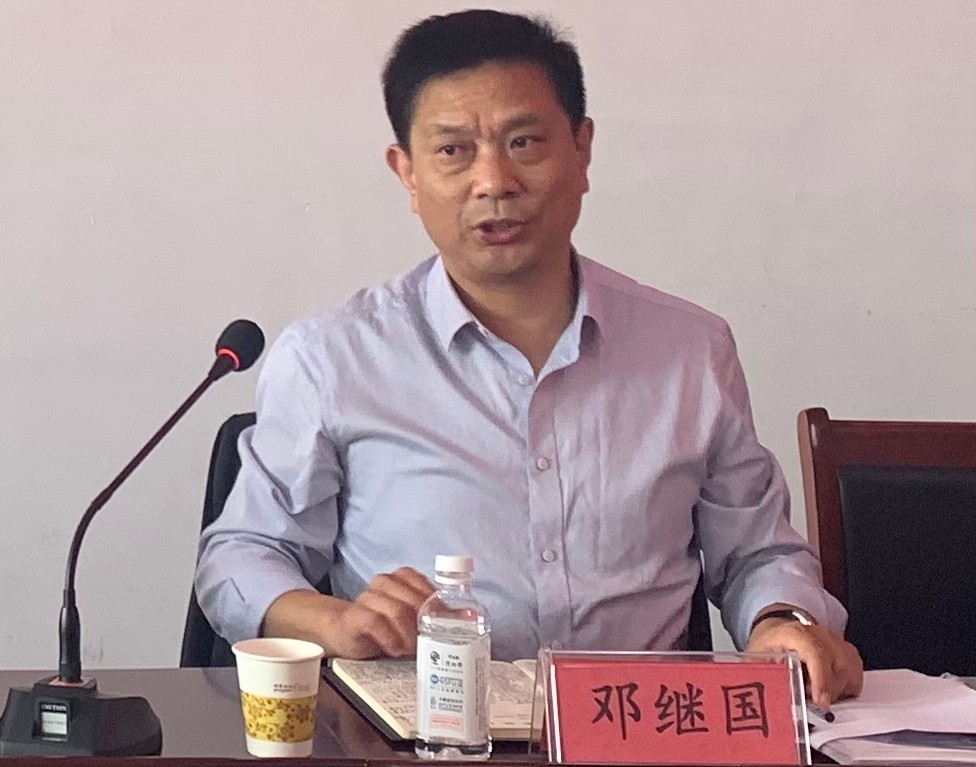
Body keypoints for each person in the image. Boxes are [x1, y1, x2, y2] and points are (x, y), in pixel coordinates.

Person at [195, 9, 862, 707]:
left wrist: (783, 621)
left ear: (582, 150)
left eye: (524, 142)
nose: (494, 181)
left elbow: (757, 551)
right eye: (453, 151)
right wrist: (335, 621)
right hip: (421, 733)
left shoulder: (690, 351)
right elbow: (240, 557)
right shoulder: (333, 358)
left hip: (636, 731)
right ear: (407, 173)